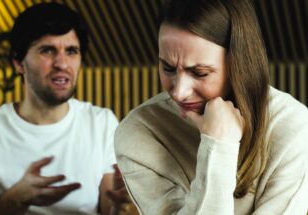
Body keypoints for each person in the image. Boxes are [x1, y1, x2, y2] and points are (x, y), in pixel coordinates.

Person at [115, 0, 308, 214]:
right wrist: (218, 146)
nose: (180, 92)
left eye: (200, 73)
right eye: (168, 68)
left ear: (239, 64)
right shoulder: (139, 131)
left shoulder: (294, 125)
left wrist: (218, 144)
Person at [0, 3, 128, 214]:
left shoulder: (102, 122)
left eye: (71, 51)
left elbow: (110, 207)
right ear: (18, 63)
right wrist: (16, 198)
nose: (62, 63)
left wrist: (122, 207)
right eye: (47, 50)